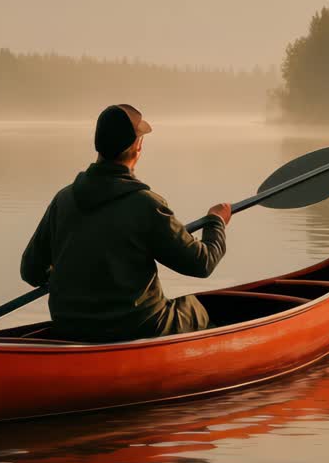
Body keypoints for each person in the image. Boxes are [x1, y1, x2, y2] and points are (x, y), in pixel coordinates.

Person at [20, 104, 231, 342]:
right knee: (196, 310)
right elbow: (202, 263)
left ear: (98, 146)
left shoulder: (63, 200)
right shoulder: (147, 206)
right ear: (137, 147)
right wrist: (216, 222)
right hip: (137, 327)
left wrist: (71, 276)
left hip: (69, 328)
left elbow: (30, 271)